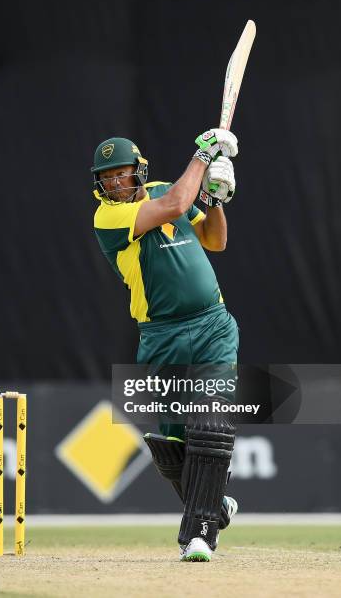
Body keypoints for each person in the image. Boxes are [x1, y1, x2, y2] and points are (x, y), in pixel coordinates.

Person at [92, 130, 240, 562]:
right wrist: (203, 154)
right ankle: (214, 507)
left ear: (139, 171)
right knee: (172, 445)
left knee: (210, 422)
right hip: (162, 336)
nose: (117, 184)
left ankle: (198, 536)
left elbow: (215, 240)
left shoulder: (163, 190)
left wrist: (215, 199)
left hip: (213, 324)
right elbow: (175, 205)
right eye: (108, 178)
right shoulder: (108, 219)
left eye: (123, 174)